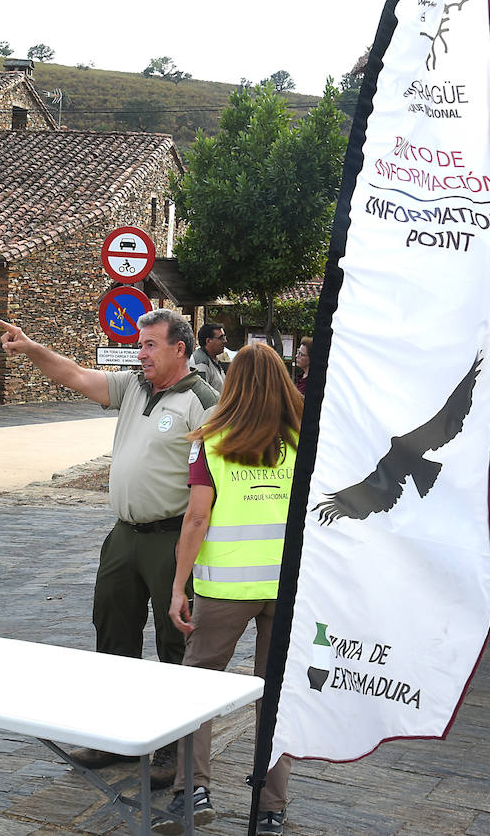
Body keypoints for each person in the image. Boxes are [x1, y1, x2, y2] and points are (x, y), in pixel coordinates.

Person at [0, 309, 218, 786]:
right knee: (112, 633)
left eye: (151, 346)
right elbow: (75, 375)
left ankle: (174, 751)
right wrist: (32, 347)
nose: (142, 354)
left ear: (180, 349)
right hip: (124, 536)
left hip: (172, 538)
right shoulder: (135, 386)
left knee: (175, 643)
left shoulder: (204, 401)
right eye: (140, 345)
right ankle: (116, 737)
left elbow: (216, 481)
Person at [154, 343, 300, 836]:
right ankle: (272, 806)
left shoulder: (212, 439)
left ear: (232, 383)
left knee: (198, 688)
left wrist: (179, 586)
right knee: (273, 695)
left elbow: (197, 517)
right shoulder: (307, 439)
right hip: (287, 588)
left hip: (225, 590)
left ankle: (191, 790)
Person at [190, 323, 227, 392]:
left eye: (224, 337)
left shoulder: (213, 360)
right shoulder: (200, 364)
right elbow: (201, 395)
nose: (225, 341)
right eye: (221, 338)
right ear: (208, 341)